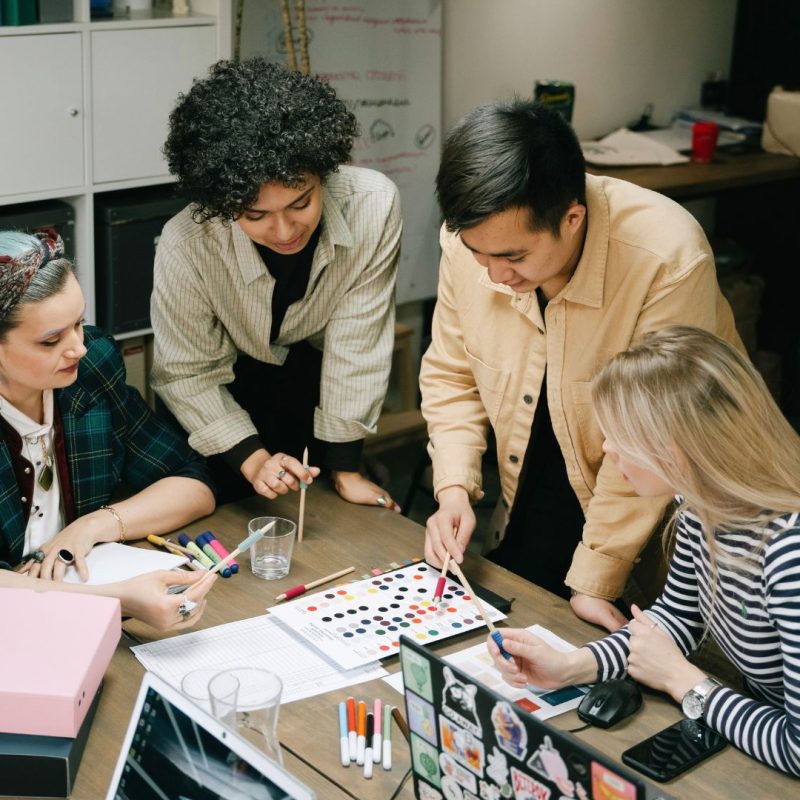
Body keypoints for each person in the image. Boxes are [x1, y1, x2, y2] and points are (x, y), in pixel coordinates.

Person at [420, 99, 741, 631]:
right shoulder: (471, 242)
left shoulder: (667, 258)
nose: (494, 275)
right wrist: (453, 488)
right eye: (479, 254)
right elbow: (453, 374)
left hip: (659, 518)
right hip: (534, 487)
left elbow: (654, 437)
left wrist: (596, 577)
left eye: (514, 257)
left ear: (572, 219)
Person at [487, 326, 800, 776]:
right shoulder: (699, 504)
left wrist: (683, 681)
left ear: (675, 453)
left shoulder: (788, 552)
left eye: (619, 435)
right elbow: (677, 619)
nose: (607, 447)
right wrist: (570, 667)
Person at [151, 58, 402, 509]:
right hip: (216, 400)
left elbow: (357, 343)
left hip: (311, 384)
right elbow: (187, 372)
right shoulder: (186, 243)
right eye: (256, 215)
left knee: (319, 514)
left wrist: (346, 469)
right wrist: (253, 460)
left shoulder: (374, 206)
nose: (285, 232)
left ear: (324, 172)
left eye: (301, 203)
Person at [0, 230, 217, 632]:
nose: (78, 348)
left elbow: (193, 485)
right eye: (51, 340)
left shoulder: (90, 370)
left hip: (80, 623)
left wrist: (90, 527)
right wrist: (116, 598)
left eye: (79, 323)